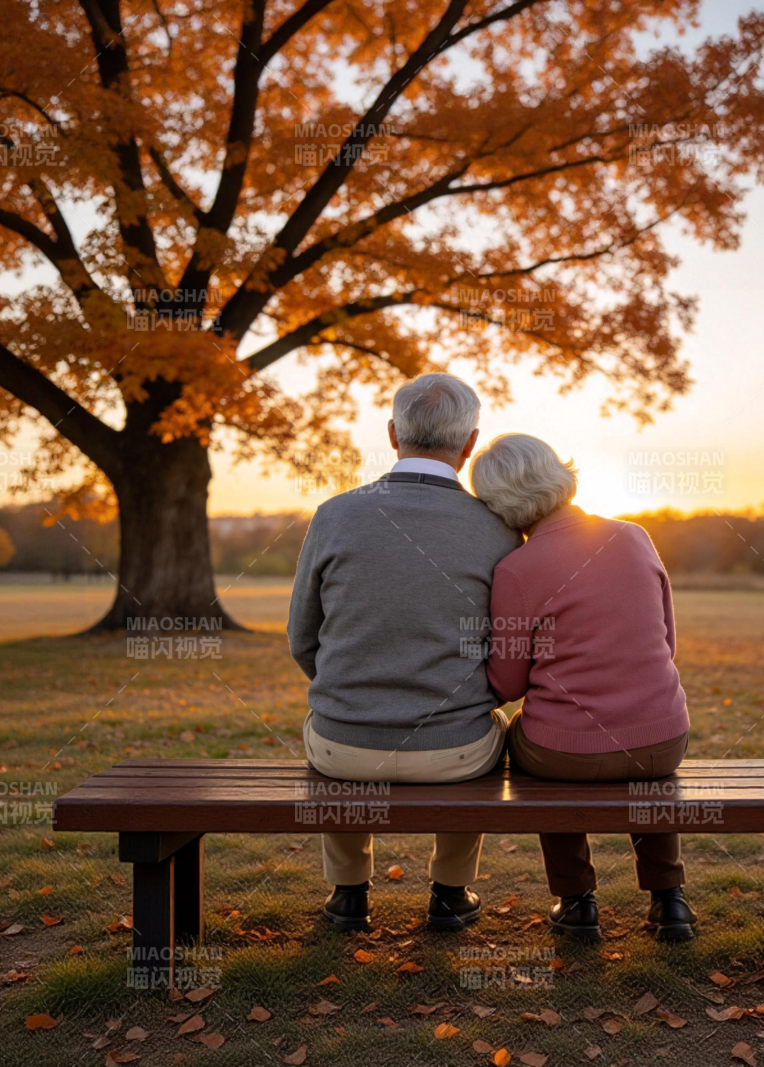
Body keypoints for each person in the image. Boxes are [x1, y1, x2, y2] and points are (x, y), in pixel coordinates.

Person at [289, 373, 521, 933]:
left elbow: (303, 638)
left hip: (343, 746)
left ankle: (348, 894)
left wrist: (353, 689)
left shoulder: (335, 515)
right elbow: (505, 648)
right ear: (469, 443)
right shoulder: (499, 528)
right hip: (455, 752)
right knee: (487, 727)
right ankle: (449, 891)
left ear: (394, 434)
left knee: (336, 729)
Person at [472, 433, 696, 941]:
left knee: (522, 742)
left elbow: (506, 682)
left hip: (563, 753)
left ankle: (576, 902)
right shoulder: (634, 536)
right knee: (642, 762)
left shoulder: (516, 569)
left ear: (500, 506)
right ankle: (669, 900)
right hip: (662, 742)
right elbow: (667, 642)